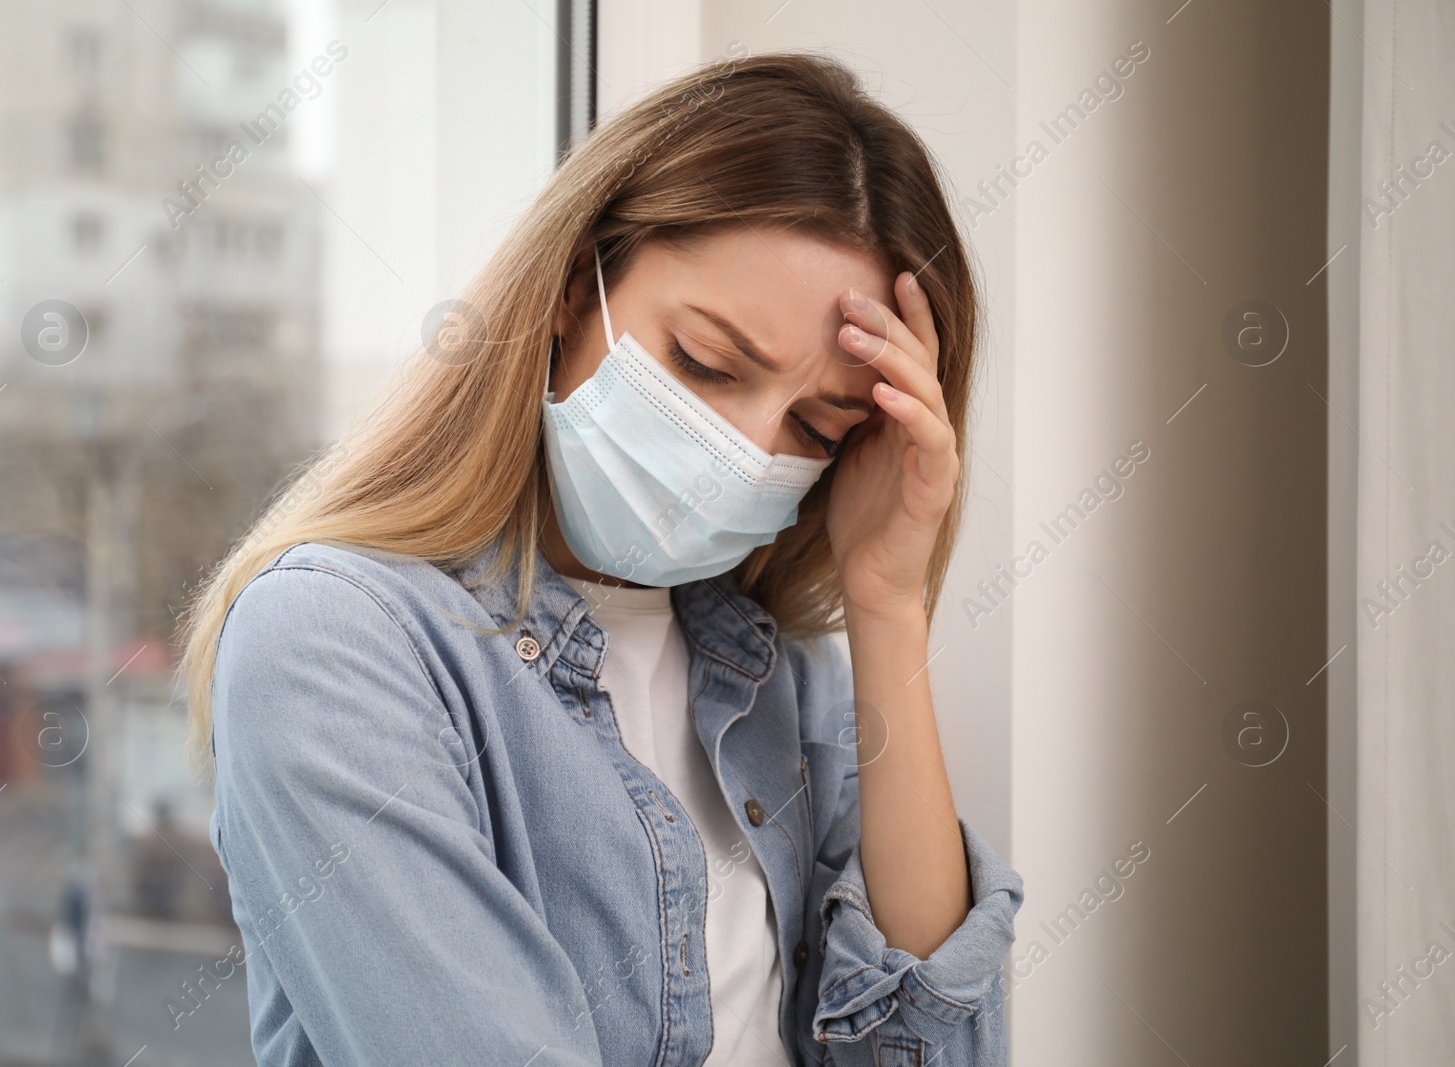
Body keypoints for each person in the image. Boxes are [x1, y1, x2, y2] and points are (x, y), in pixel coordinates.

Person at [178, 50, 1023, 1067]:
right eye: (706, 364)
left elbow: (933, 1046)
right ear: (573, 289)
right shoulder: (334, 638)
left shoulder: (786, 683)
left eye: (817, 421)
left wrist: (886, 602)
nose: (749, 447)